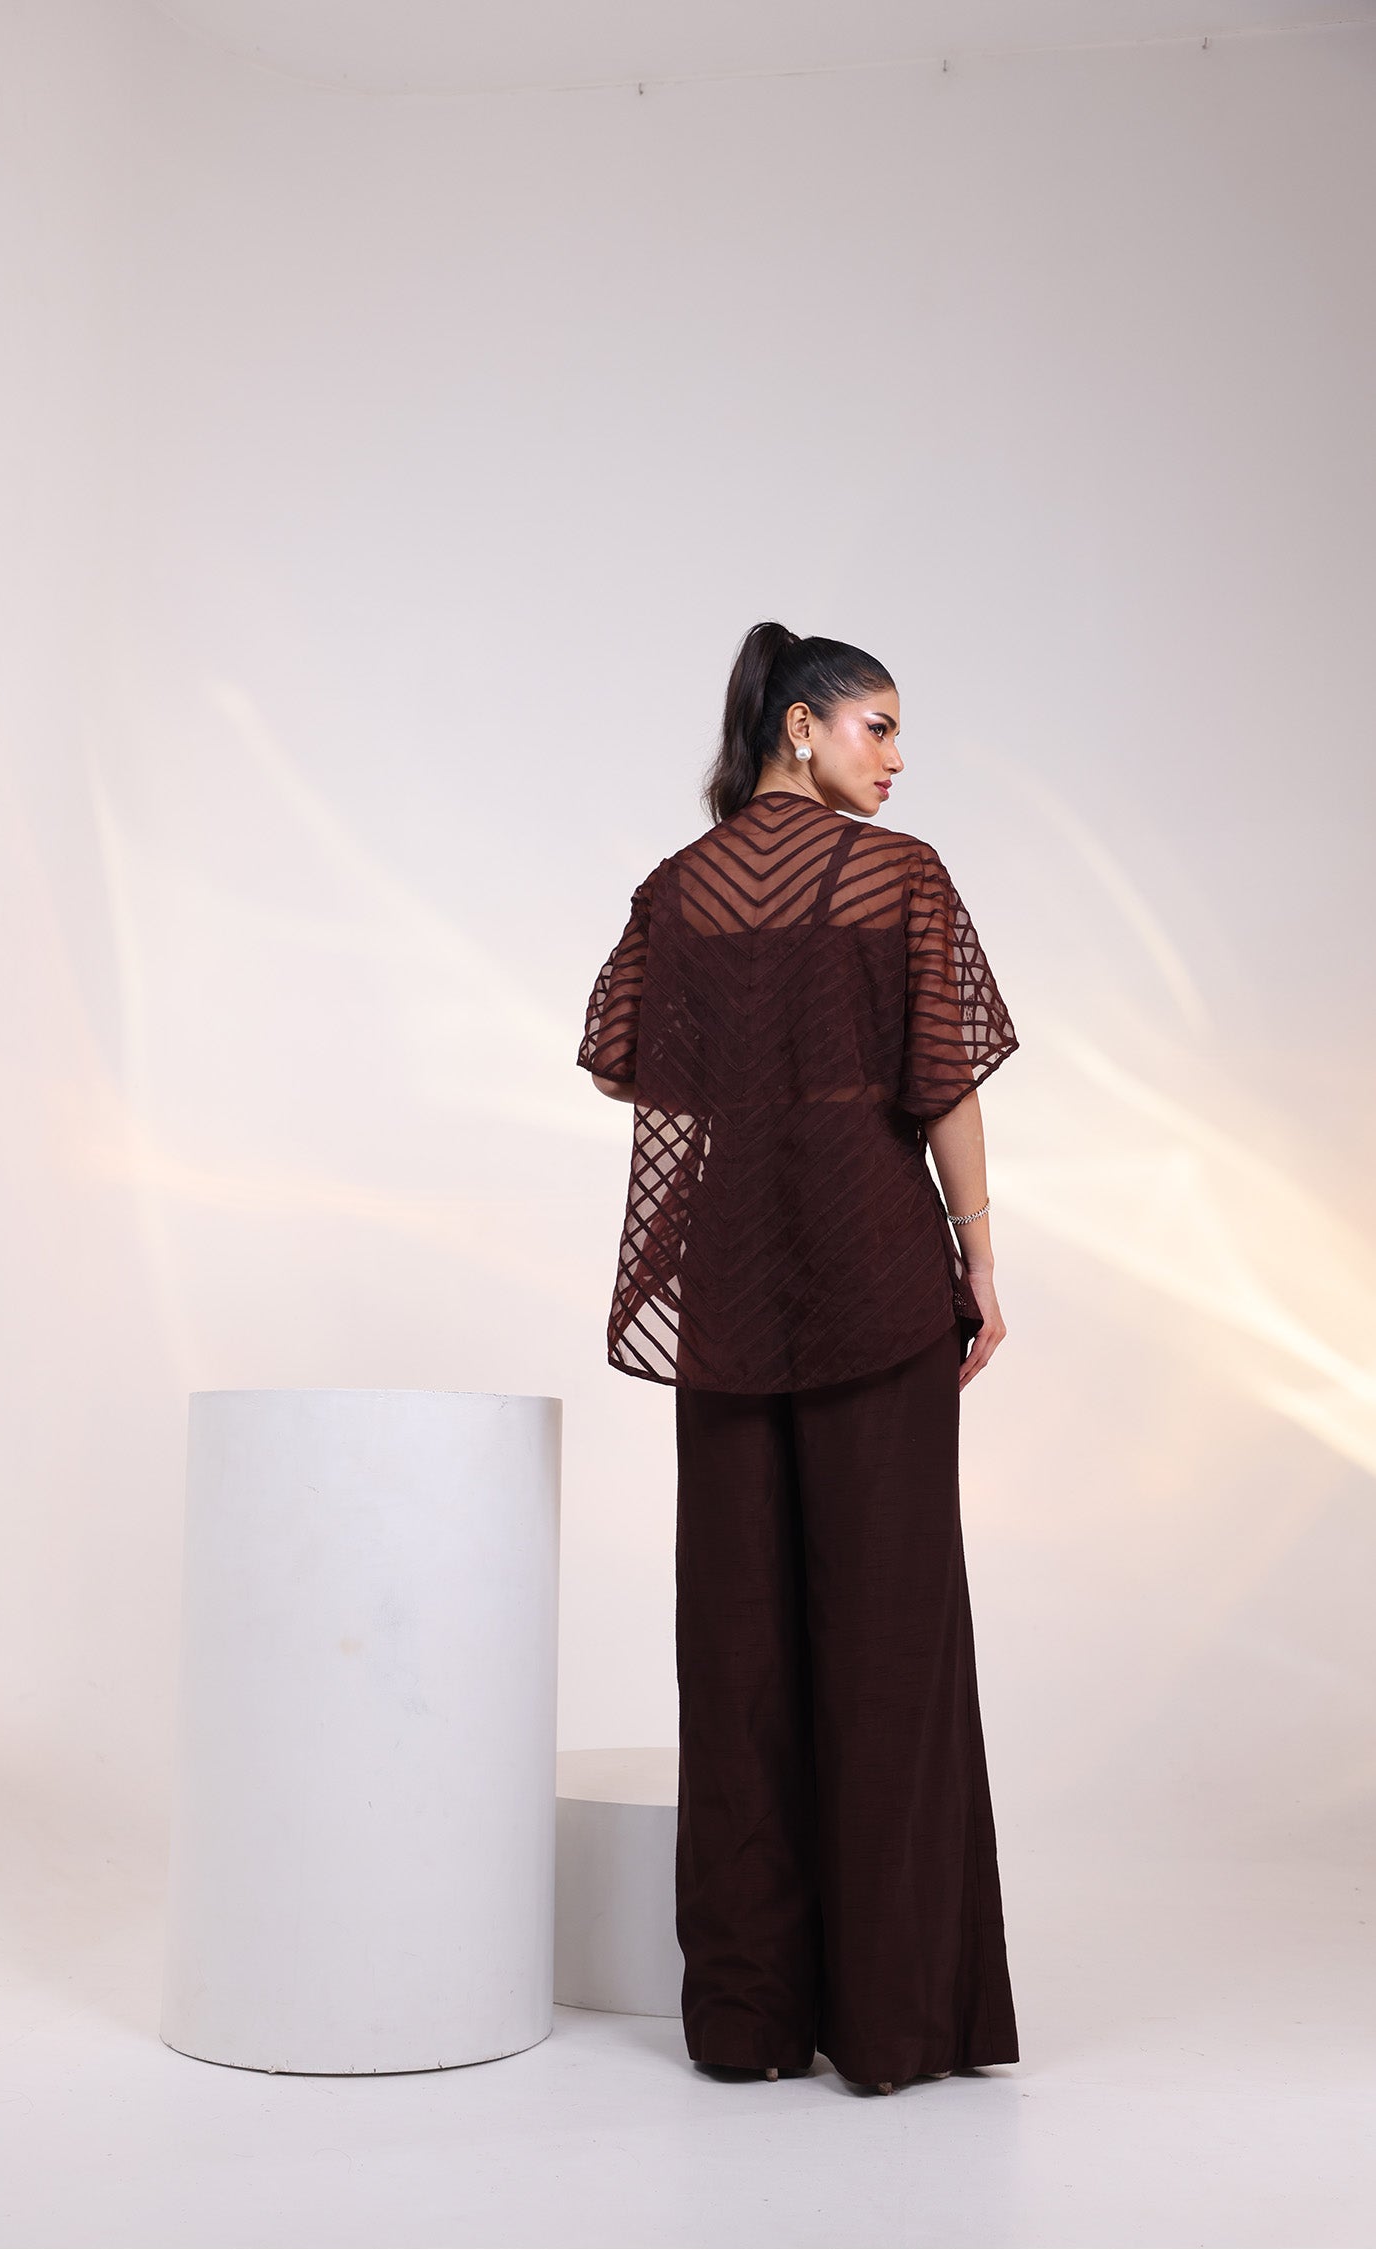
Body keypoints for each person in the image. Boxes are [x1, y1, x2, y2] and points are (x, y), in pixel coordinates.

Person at [576, 620, 1022, 2095]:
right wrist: (979, 1254)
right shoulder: (899, 878)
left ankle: (750, 2020)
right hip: (876, 1269)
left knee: (737, 1642)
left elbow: (623, 1062)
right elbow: (944, 1080)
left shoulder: (677, 891)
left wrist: (753, 1063)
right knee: (890, 1635)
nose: (895, 757)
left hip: (732, 1283)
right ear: (800, 727)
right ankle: (893, 2018)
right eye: (876, 725)